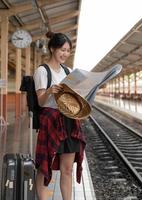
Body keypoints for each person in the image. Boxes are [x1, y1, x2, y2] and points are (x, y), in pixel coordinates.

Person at [33, 32, 86, 200]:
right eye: (62, 50)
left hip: (69, 121)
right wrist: (49, 91)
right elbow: (41, 102)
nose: (65, 54)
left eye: (68, 51)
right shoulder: (42, 71)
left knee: (67, 169)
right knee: (44, 167)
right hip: (51, 123)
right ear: (52, 49)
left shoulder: (68, 71)